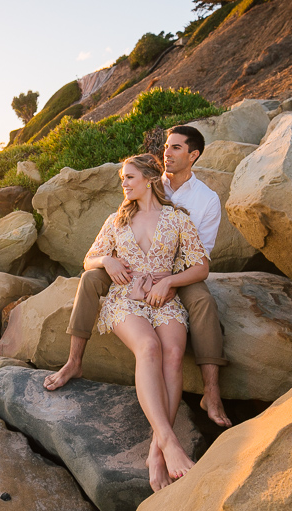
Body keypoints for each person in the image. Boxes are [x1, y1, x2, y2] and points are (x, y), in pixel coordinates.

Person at [44, 126, 232, 430]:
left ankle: (211, 391)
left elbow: (201, 255)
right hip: (127, 274)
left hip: (178, 269)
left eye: (175, 149)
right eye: (166, 148)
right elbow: (114, 235)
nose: (167, 154)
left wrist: (169, 279)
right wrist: (109, 260)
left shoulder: (204, 200)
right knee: (91, 279)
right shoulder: (136, 196)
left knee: (203, 302)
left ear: (193, 155)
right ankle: (74, 360)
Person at [69, 153, 208, 491]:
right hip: (125, 299)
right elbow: (89, 259)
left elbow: (201, 266)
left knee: (174, 354)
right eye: (122, 180)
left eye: (129, 177)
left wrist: (169, 282)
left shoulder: (178, 219)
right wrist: (107, 261)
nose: (125, 184)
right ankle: (169, 443)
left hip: (165, 301)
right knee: (148, 347)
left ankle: (155, 454)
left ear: (149, 178)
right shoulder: (115, 220)